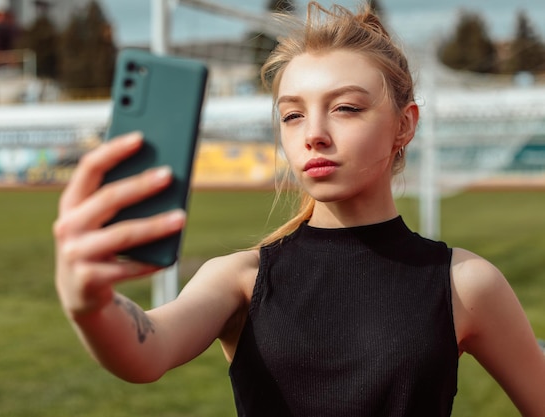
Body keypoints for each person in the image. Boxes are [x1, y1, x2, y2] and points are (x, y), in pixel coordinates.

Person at [53, 2, 545, 416]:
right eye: (292, 114)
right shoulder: (239, 278)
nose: (313, 133)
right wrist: (90, 304)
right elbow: (148, 350)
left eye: (346, 107)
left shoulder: (465, 282)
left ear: (405, 124)